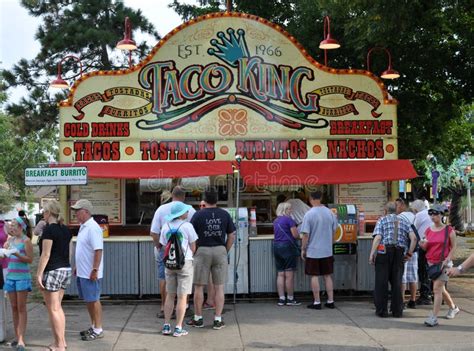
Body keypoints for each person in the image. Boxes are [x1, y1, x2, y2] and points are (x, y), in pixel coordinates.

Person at [187, 187, 235, 329]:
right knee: (219, 287)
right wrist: (225, 250)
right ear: (217, 199)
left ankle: (198, 318)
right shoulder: (224, 214)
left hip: (202, 251)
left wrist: (194, 251)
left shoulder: (198, 215)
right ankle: (218, 320)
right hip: (220, 250)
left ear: (204, 200)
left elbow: (191, 236)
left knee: (199, 287)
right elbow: (231, 235)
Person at [150, 187, 196, 318]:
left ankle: (164, 308)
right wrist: (192, 252)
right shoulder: (191, 210)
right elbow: (194, 236)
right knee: (184, 281)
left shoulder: (161, 209)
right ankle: (184, 307)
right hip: (184, 254)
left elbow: (153, 232)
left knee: (163, 277)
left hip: (165, 251)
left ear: (172, 195)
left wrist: (160, 246)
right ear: (184, 196)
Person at [36, 200, 73, 351]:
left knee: (53, 309)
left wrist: (38, 274)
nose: (43, 214)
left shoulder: (49, 230)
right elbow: (70, 252)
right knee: (57, 308)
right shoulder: (66, 229)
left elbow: (45, 254)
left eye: (44, 212)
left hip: (52, 270)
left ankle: (59, 345)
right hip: (65, 269)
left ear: (49, 213)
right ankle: (61, 342)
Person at [369, 201, 416, 318]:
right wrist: (409, 253)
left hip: (384, 252)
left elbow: (378, 237)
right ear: (396, 210)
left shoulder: (382, 220)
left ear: (385, 211)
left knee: (381, 282)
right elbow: (414, 238)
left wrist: (372, 253)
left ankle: (382, 311)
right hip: (399, 253)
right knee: (397, 283)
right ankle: (397, 311)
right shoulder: (405, 221)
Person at [160, 202, 198, 337]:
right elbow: (193, 247)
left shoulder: (166, 226)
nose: (188, 213)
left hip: (169, 264)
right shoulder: (187, 226)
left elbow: (164, 246)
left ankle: (166, 325)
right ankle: (178, 327)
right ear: (181, 214)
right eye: (186, 211)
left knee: (170, 295)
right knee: (182, 297)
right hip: (185, 263)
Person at [418, 204, 459, 327]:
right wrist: (422, 244)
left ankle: (433, 317)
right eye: (431, 214)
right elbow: (426, 247)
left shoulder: (449, 230)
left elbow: (454, 246)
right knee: (441, 289)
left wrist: (447, 259)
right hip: (431, 263)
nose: (433, 216)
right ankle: (453, 307)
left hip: (444, 264)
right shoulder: (428, 230)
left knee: (436, 289)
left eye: (435, 214)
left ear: (441, 215)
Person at [71, 199, 104, 341]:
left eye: (78, 211)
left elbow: (98, 250)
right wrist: (78, 266)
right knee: (89, 300)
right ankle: (93, 325)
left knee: (94, 300)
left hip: (90, 272)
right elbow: (85, 249)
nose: (75, 214)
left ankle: (98, 328)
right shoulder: (83, 226)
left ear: (86, 211)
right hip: (84, 271)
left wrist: (95, 269)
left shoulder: (93, 227)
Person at [300, 191, 338, 310]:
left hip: (313, 250)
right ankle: (330, 300)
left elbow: (305, 235)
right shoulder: (330, 213)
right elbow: (334, 231)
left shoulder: (309, 214)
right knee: (327, 276)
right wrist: (329, 245)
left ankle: (317, 302)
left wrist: (303, 248)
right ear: (321, 198)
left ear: (310, 199)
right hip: (327, 250)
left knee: (314, 276)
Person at [3, 216, 33, 351]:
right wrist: (5, 252)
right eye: (11, 225)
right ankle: (16, 336)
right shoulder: (10, 240)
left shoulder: (26, 241)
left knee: (21, 308)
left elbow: (30, 259)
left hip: (22, 278)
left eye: (14, 225)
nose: (11, 228)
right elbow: (5, 255)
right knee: (14, 307)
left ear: (21, 227)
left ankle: (21, 340)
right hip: (10, 277)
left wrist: (17, 254)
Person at [273, 202, 301, 306]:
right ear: (285, 210)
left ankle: (281, 298)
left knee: (280, 274)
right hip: (288, 247)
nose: (291, 210)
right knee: (289, 274)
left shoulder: (276, 220)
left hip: (276, 247)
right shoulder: (289, 220)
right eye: (289, 209)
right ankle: (290, 298)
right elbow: (295, 235)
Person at [395, 198, 417, 309]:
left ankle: (402, 300)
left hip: (403, 250)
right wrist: (411, 252)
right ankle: (413, 300)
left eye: (397, 205)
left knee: (402, 277)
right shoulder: (414, 216)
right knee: (413, 276)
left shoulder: (399, 218)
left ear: (403, 205)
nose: (396, 208)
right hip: (413, 251)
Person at [411, 199, 433, 305]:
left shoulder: (419, 215)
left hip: (424, 245)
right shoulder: (431, 212)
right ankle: (436, 294)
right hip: (435, 245)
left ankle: (425, 295)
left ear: (415, 209)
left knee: (423, 270)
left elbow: (413, 230)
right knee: (434, 269)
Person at [200, 200, 215, 310]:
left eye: (203, 205)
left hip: (205, 251)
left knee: (207, 279)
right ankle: (210, 301)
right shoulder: (199, 216)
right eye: (200, 205)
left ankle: (210, 301)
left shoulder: (198, 217)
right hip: (211, 251)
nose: (201, 207)